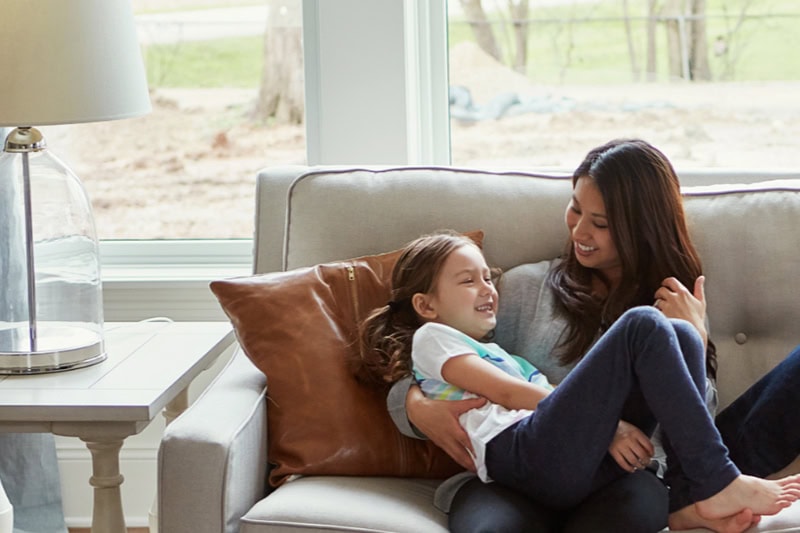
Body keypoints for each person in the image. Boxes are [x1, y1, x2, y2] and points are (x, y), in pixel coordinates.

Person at [391, 139, 800, 533]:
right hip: (522, 474)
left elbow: (690, 431)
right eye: (575, 210)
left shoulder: (673, 306)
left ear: (643, 228)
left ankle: (701, 495)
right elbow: (437, 353)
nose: (579, 231)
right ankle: (708, 490)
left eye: (600, 223)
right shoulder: (524, 290)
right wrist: (414, 406)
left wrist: (694, 333)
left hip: (627, 477)